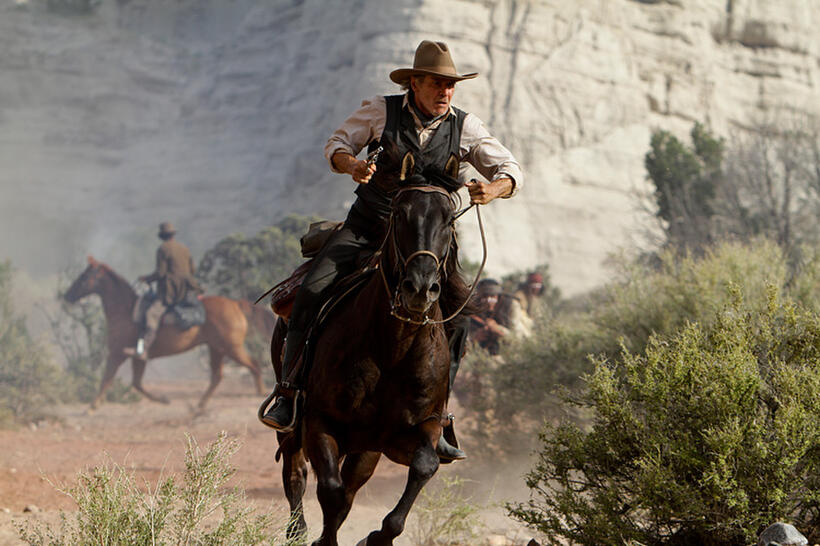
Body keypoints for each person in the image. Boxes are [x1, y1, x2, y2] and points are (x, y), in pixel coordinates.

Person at [260, 40, 523, 460]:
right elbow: (337, 144)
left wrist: (494, 188)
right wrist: (351, 164)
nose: (445, 91)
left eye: (450, 85)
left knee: (458, 319)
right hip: (369, 227)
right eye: (436, 83)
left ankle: (439, 415)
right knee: (310, 292)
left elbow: (509, 168)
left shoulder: (466, 126)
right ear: (414, 83)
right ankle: (288, 394)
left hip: (428, 243)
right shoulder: (380, 112)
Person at [124, 222, 200, 358]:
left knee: (151, 314)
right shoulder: (184, 249)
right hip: (188, 290)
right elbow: (192, 270)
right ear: (173, 235)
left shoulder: (163, 249)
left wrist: (146, 279)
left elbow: (160, 273)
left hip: (170, 293)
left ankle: (143, 349)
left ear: (162, 236)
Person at [470, 278, 532, 355]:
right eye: (485, 296)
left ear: (498, 296)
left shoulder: (512, 305)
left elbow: (516, 337)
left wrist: (497, 329)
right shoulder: (474, 306)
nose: (489, 301)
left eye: (492, 296)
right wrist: (475, 336)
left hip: (512, 347)